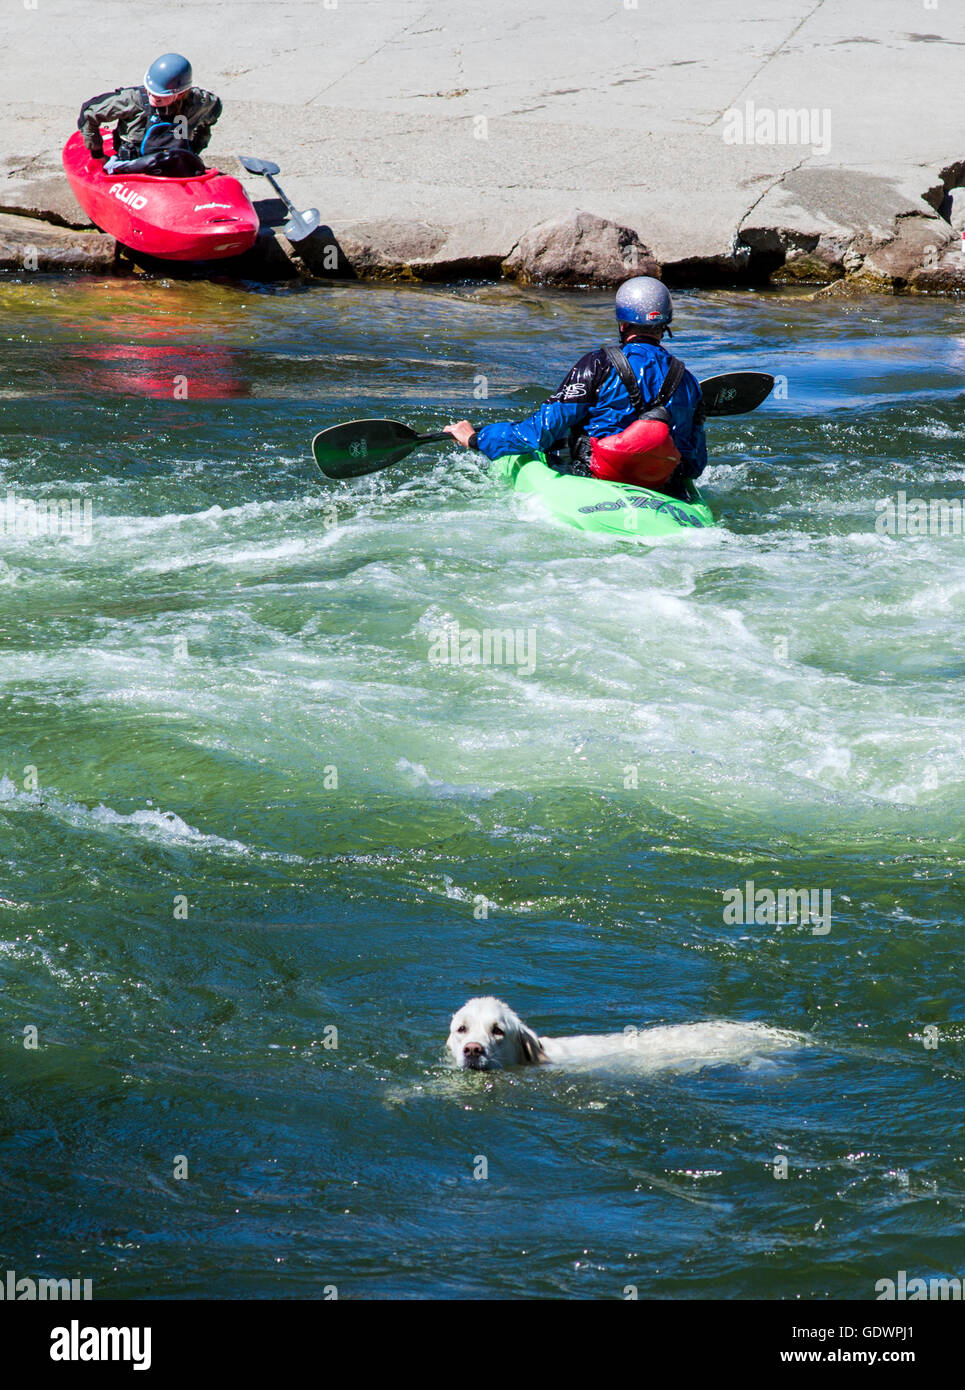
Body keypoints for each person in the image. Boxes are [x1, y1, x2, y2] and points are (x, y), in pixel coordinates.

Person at [445, 277, 707, 496]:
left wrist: (477, 438)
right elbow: (694, 464)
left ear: (622, 324)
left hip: (594, 483)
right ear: (664, 326)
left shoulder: (598, 364)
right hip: (663, 490)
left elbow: (538, 433)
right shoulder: (688, 380)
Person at [78, 53, 222, 170]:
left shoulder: (198, 102)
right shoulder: (133, 100)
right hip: (132, 167)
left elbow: (213, 113)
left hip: (176, 165)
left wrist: (197, 147)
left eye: (160, 96)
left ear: (179, 94)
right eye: (150, 92)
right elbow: (89, 113)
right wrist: (97, 154)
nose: (153, 97)